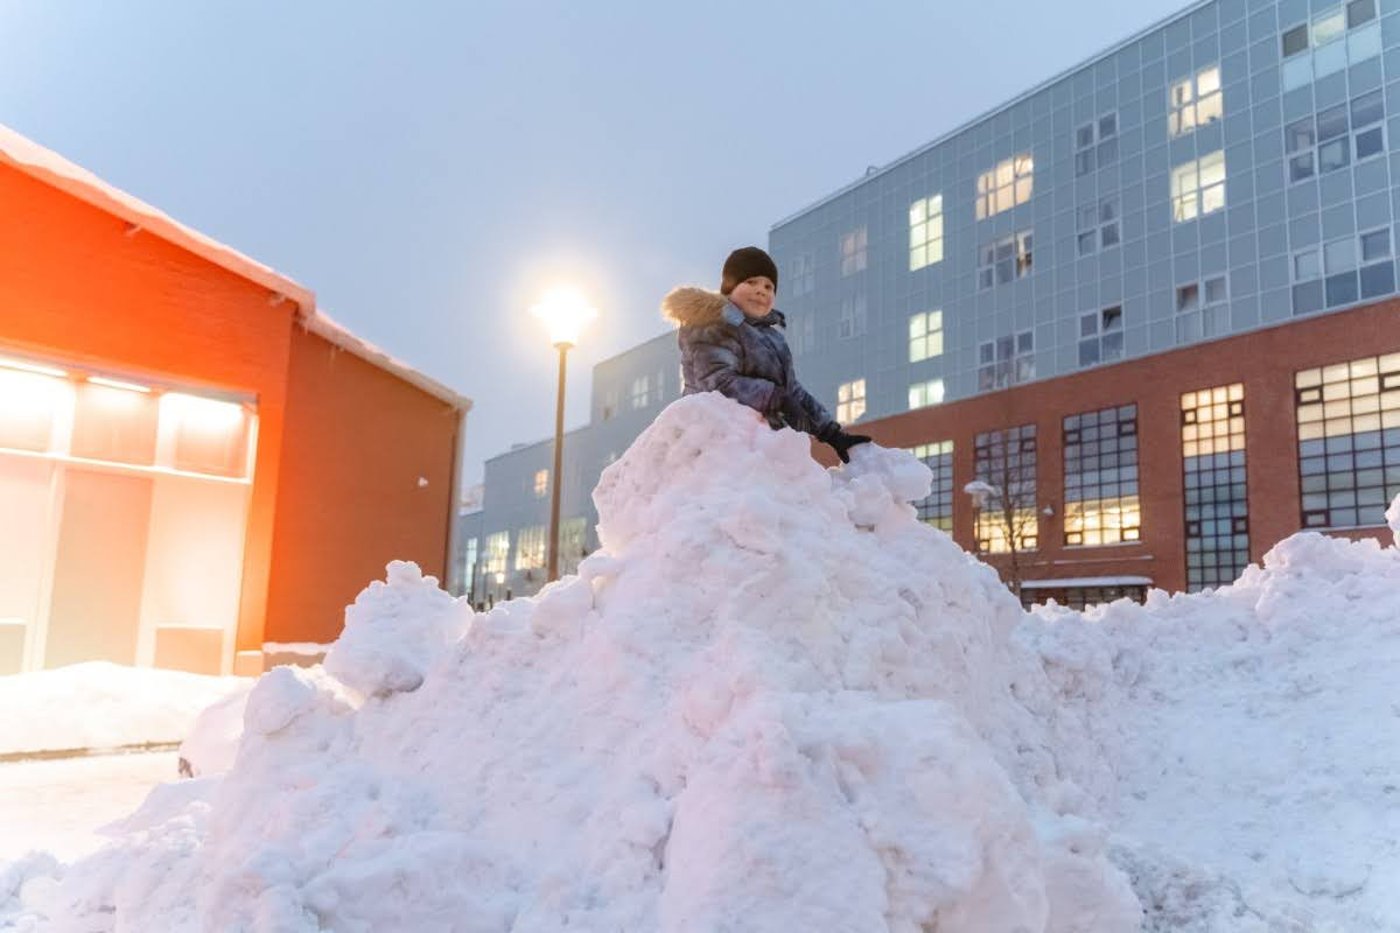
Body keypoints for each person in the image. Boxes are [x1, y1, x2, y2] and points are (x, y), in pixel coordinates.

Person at [661, 246, 872, 463]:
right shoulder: (712, 325)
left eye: (768, 286)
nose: (761, 291)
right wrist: (776, 398)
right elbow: (718, 383)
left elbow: (792, 391)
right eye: (751, 282)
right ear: (730, 288)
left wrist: (831, 433)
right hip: (712, 447)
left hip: (760, 447)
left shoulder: (772, 338)